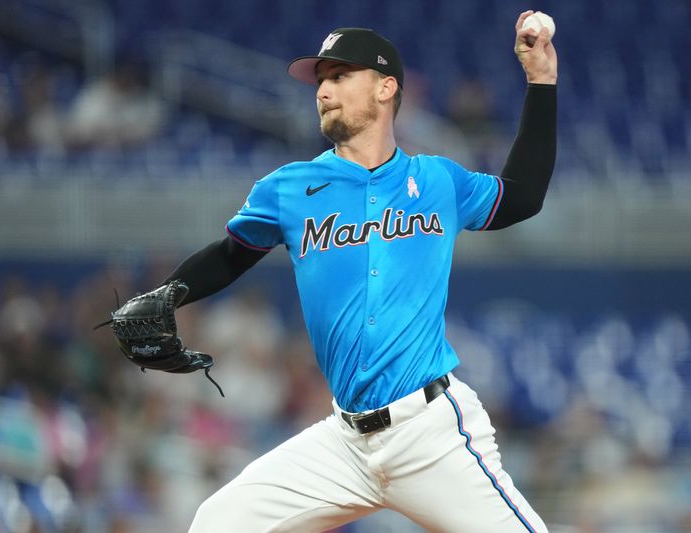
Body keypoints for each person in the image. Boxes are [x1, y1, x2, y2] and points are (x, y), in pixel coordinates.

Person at [159, 10, 555, 532]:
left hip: (431, 433)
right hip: (344, 443)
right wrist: (167, 296)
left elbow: (521, 196)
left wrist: (541, 81)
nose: (323, 90)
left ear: (386, 87)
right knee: (218, 523)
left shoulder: (436, 180)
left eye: (341, 76)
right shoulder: (289, 188)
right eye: (321, 80)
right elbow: (231, 254)